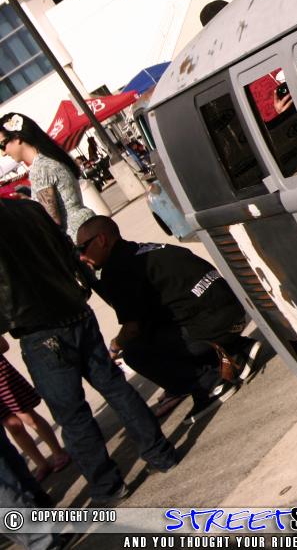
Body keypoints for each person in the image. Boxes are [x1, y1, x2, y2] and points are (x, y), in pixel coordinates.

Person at [0, 196, 179, 503]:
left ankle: (109, 486)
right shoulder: (28, 207)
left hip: (40, 328)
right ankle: (160, 454)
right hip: (72, 311)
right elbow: (69, 251)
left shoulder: (27, 208)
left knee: (74, 414)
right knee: (114, 388)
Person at [76, 216, 262, 425]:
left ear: (101, 240)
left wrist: (113, 347)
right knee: (161, 323)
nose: (81, 257)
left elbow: (132, 329)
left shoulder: (115, 270)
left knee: (135, 352)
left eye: (82, 248)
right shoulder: (144, 249)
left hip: (213, 326)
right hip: (236, 313)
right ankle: (239, 350)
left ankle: (211, 385)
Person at [1, 113, 96, 241]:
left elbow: (51, 220)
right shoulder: (50, 157)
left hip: (76, 238)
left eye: (2, 145)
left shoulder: (39, 169)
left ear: (17, 138)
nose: (3, 153)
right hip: (88, 226)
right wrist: (30, 202)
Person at [0, 336, 70, 481]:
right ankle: (41, 464)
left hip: (2, 377)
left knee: (28, 417)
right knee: (13, 426)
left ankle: (58, 453)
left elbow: (3, 345)